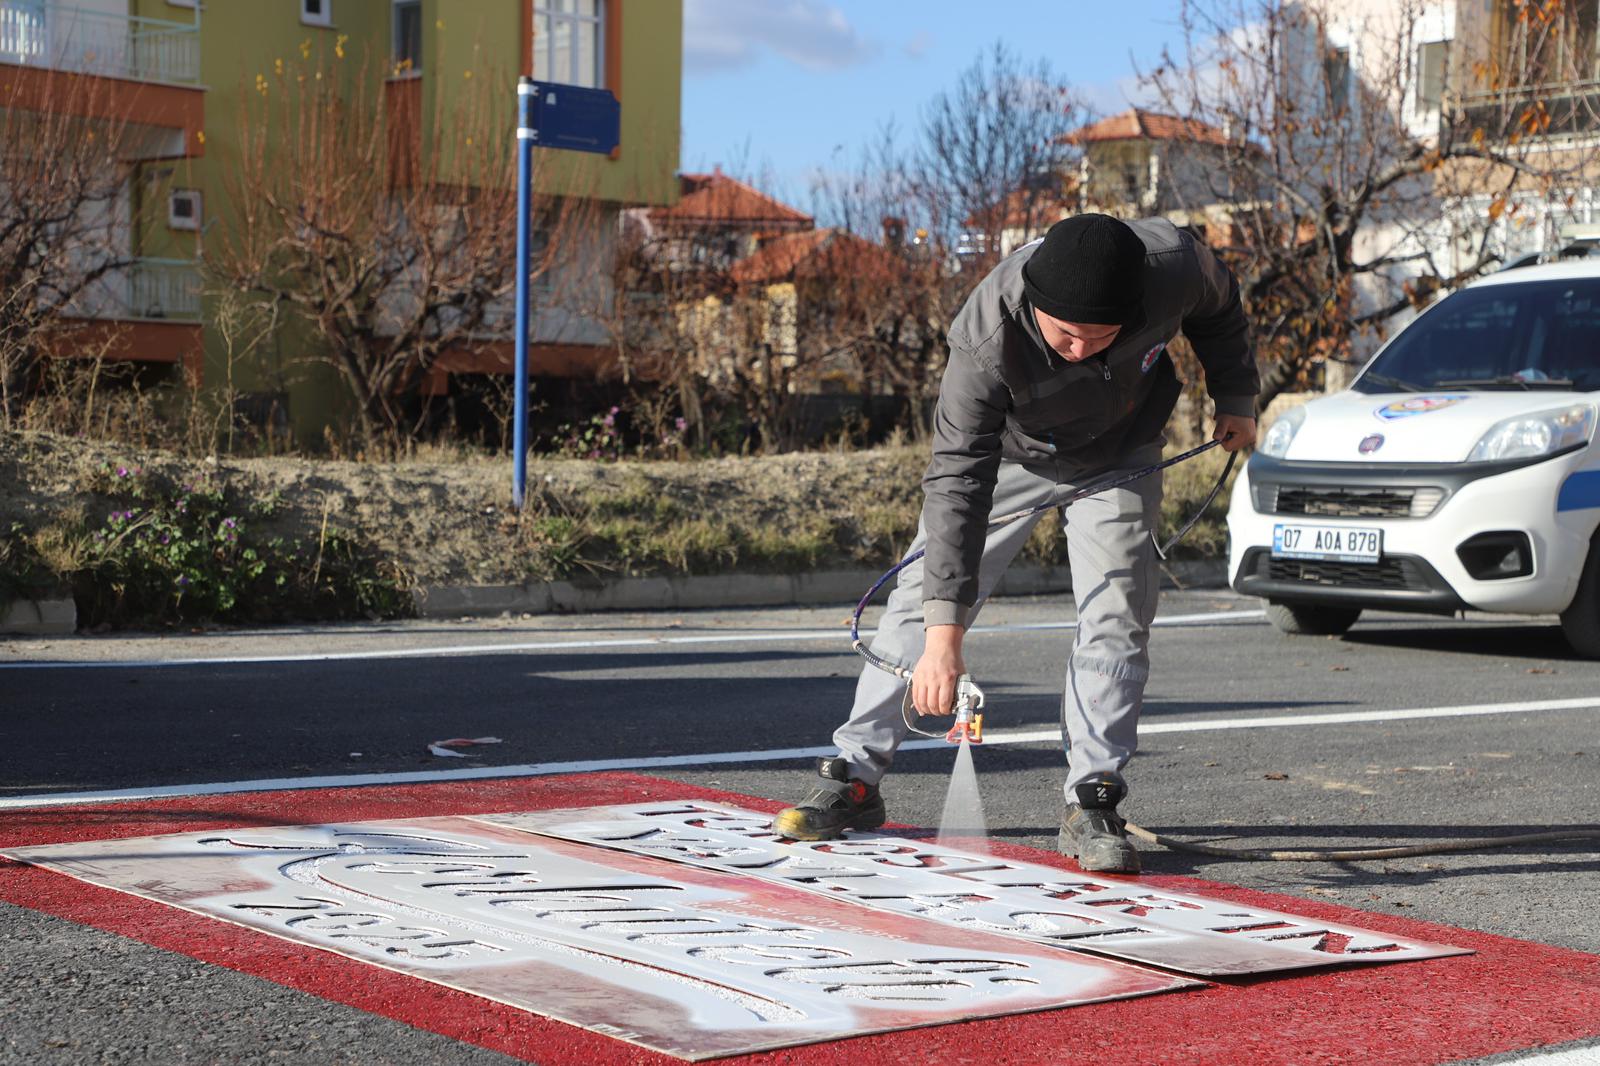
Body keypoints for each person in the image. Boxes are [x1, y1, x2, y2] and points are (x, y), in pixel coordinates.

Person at [774, 213, 1259, 873]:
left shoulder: (1174, 265)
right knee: (920, 603)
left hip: (1120, 453)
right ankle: (854, 776)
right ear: (1035, 306)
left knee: (1118, 612)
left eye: (1101, 337)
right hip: (1009, 457)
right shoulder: (985, 338)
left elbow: (1222, 306)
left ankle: (1092, 797)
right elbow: (955, 489)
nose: (1082, 351)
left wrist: (1236, 393)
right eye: (1066, 336)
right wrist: (945, 643)